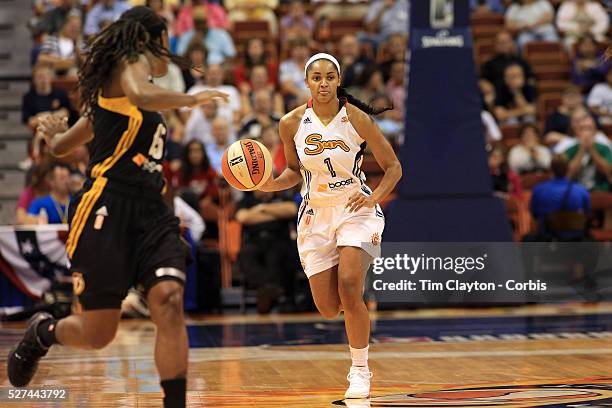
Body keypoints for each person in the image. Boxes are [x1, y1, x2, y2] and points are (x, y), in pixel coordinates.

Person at [7, 8, 229, 408]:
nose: (168, 53)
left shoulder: (124, 101)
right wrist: (191, 98)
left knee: (169, 300)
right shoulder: (129, 68)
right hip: (105, 206)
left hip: (152, 210)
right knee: (98, 334)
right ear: (149, 41)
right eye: (165, 43)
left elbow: (65, 144)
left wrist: (57, 136)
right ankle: (45, 332)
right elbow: (137, 96)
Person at [259, 53, 402, 398]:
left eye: (329, 77)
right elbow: (293, 173)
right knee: (327, 306)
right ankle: (351, 300)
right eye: (316, 78)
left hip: (355, 207)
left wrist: (374, 198)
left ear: (338, 81)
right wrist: (267, 184)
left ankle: (360, 370)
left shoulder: (356, 118)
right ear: (307, 82)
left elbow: (393, 167)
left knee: (350, 285)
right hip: (315, 214)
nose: (323, 83)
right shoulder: (291, 122)